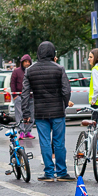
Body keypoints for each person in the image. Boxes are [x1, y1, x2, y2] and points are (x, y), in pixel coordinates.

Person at [25, 42, 73, 182]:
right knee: (59, 143)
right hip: (57, 111)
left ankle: (49, 173)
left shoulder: (30, 71)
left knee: (45, 142)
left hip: (40, 112)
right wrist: (63, 104)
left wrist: (26, 113)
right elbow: (66, 90)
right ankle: (62, 172)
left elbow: (25, 94)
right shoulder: (59, 69)